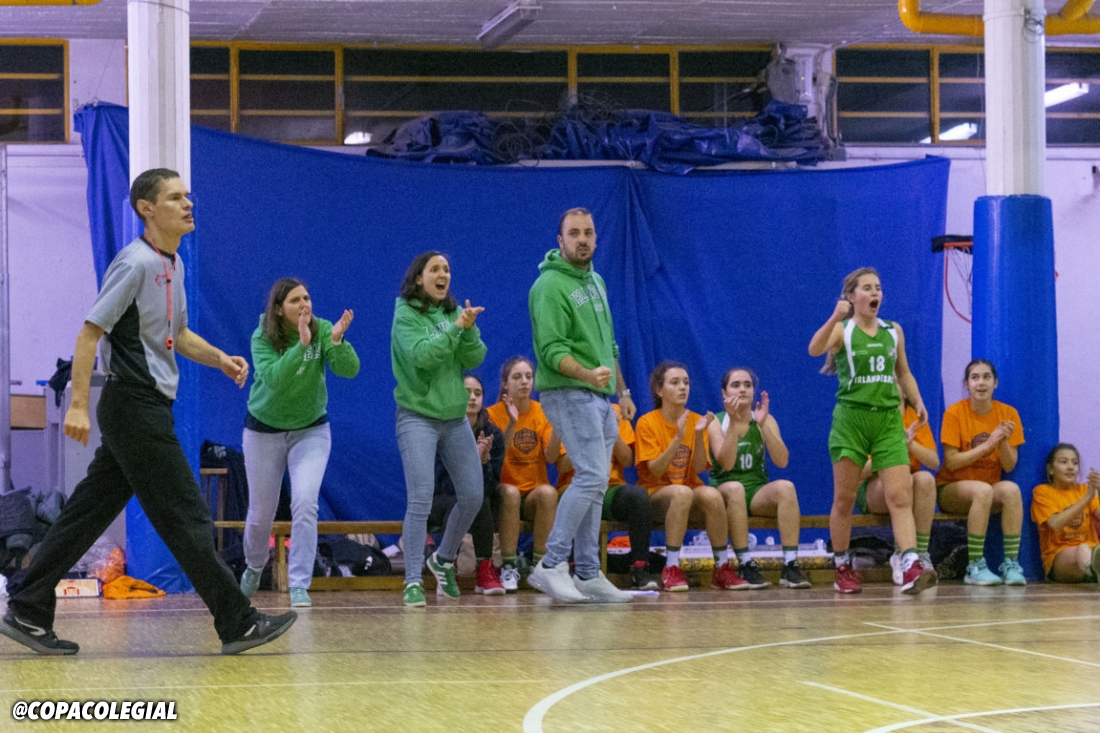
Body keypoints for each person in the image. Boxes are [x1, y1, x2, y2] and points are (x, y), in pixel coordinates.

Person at [0, 168, 296, 656]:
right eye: (175, 197)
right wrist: (79, 405)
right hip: (134, 406)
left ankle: (28, 609)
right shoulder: (135, 263)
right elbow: (89, 333)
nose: (188, 204)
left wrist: (220, 359)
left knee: (84, 516)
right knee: (187, 516)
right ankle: (238, 622)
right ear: (147, 208)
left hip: (144, 407)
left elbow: (177, 334)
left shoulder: (173, 264)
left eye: (187, 196)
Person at [525, 207, 635, 604]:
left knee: (597, 482)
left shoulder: (597, 281)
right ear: (560, 241)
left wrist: (622, 391)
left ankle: (588, 572)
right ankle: (551, 562)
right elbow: (552, 350)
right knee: (589, 475)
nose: (582, 239)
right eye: (574, 233)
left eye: (588, 232)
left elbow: (609, 345)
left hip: (600, 397)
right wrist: (588, 375)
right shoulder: (548, 286)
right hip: (569, 393)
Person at [808, 266, 937, 595]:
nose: (875, 292)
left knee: (900, 495)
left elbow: (903, 372)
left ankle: (910, 564)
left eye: (878, 287)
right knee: (844, 499)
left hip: (888, 420)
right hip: (851, 420)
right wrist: (833, 318)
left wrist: (917, 400)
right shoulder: (843, 330)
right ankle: (842, 565)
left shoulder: (893, 331)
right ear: (851, 297)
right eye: (867, 288)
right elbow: (814, 349)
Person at [239, 278, 359, 608]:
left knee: (306, 503)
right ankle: (254, 565)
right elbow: (274, 380)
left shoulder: (322, 328)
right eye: (295, 300)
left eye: (307, 297)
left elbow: (350, 370)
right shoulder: (262, 335)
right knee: (261, 514)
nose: (304, 304)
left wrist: (338, 341)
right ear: (279, 309)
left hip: (311, 431)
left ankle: (299, 583)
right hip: (263, 431)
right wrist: (302, 346)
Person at [391, 251, 487, 607]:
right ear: (419, 277)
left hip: (454, 417)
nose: (443, 274)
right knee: (421, 498)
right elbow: (423, 356)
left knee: (473, 496)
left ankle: (443, 559)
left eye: (446, 269)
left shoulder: (453, 312)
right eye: (435, 269)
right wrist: (456, 328)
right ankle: (413, 581)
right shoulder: (405, 313)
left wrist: (469, 330)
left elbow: (474, 358)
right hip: (417, 416)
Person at [635, 361, 746, 592]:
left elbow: (698, 468)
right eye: (675, 383)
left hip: (686, 492)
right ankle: (671, 567)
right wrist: (678, 438)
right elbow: (655, 471)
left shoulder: (696, 420)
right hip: (655, 495)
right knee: (682, 492)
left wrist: (697, 435)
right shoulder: (647, 422)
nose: (683, 387)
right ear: (659, 390)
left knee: (712, 494)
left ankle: (721, 567)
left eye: (686, 382)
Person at [708, 367, 812, 589]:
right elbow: (726, 464)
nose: (743, 389)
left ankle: (790, 565)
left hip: (755, 491)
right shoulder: (716, 421)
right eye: (736, 385)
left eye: (748, 385)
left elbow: (782, 461)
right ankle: (745, 564)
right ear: (724, 393)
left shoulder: (765, 419)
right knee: (735, 488)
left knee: (786, 487)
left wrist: (764, 425)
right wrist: (733, 423)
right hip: (724, 490)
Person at [935, 358, 1027, 586]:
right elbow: (952, 462)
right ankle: (974, 565)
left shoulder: (1009, 413)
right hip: (951, 489)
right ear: (966, 384)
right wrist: (987, 446)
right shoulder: (955, 413)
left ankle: (1011, 564)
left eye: (987, 377)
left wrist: (1002, 441)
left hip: (987, 489)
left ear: (995, 383)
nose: (981, 383)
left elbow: (1009, 466)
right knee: (983, 490)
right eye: (974, 377)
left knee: (1012, 490)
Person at [556, 401, 658, 590]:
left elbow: (626, 460)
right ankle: (571, 568)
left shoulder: (616, 411)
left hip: (610, 489)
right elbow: (562, 466)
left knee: (638, 496)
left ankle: (639, 567)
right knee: (573, 497)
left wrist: (611, 430)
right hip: (577, 485)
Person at [486, 357, 562, 591]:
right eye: (517, 377)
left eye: (529, 376)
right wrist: (512, 422)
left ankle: (541, 568)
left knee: (548, 492)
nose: (524, 382)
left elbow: (551, 457)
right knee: (510, 492)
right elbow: (496, 456)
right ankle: (508, 566)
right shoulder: (492, 414)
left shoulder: (542, 412)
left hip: (531, 497)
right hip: (501, 495)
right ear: (505, 384)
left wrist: (559, 428)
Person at [429, 374, 506, 595]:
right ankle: (446, 565)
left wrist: (482, 463)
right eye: (466, 392)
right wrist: (471, 461)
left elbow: (491, 486)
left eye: (477, 393)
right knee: (465, 500)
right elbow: (442, 483)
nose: (472, 398)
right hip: (440, 499)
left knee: (479, 499)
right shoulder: (442, 430)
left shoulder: (492, 434)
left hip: (476, 500)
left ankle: (484, 570)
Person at [857, 388, 939, 585]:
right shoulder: (870, 416)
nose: (891, 384)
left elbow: (934, 461)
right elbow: (859, 470)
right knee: (903, 480)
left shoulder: (914, 416)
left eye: (895, 380)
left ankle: (920, 555)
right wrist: (892, 450)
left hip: (908, 484)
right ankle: (901, 554)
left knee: (926, 480)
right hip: (875, 486)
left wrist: (910, 445)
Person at [1030, 444, 1100, 583]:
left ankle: (1093, 571)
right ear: (1050, 469)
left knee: (1086, 549)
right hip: (1059, 558)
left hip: (1091, 550)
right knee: (1082, 549)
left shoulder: (1084, 489)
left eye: (1075, 463)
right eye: (1064, 462)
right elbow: (1055, 524)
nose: (1070, 467)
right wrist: (1086, 499)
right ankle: (1094, 572)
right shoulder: (1042, 492)